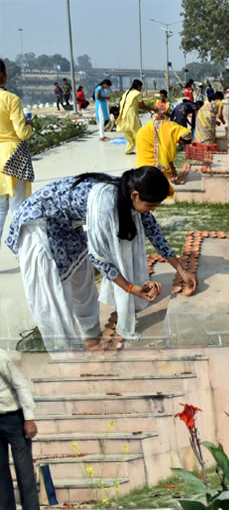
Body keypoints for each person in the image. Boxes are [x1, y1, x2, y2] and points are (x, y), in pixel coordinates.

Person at [4, 167, 193, 351]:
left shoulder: (129, 192)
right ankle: (65, 358)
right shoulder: (106, 205)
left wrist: (182, 270)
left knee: (83, 280)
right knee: (53, 296)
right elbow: (100, 258)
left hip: (66, 225)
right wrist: (129, 287)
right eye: (150, 205)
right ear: (135, 196)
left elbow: (154, 232)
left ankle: (91, 339)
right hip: (38, 224)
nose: (151, 210)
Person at [0, 346, 38, 510]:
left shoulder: (1, 357)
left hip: (14, 418)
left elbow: (20, 385)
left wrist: (29, 418)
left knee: (24, 469)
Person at [0, 61, 29, 240]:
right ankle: (21, 252)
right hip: (12, 154)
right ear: (3, 75)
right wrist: (30, 125)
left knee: (0, 208)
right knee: (18, 205)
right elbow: (22, 133)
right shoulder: (10, 99)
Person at [136, 97, 192, 183]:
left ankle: (153, 179)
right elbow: (164, 158)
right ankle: (147, 180)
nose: (180, 144)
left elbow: (168, 156)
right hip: (145, 137)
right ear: (180, 138)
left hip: (152, 134)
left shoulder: (175, 129)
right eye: (182, 143)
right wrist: (171, 176)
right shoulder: (169, 138)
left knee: (156, 161)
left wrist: (173, 168)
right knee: (149, 161)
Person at [115, 79, 146, 154]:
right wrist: (152, 109)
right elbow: (142, 106)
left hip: (123, 115)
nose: (141, 89)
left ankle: (129, 150)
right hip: (131, 115)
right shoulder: (137, 93)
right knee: (138, 132)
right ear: (138, 86)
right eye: (141, 87)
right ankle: (143, 150)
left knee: (128, 133)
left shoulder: (126, 92)